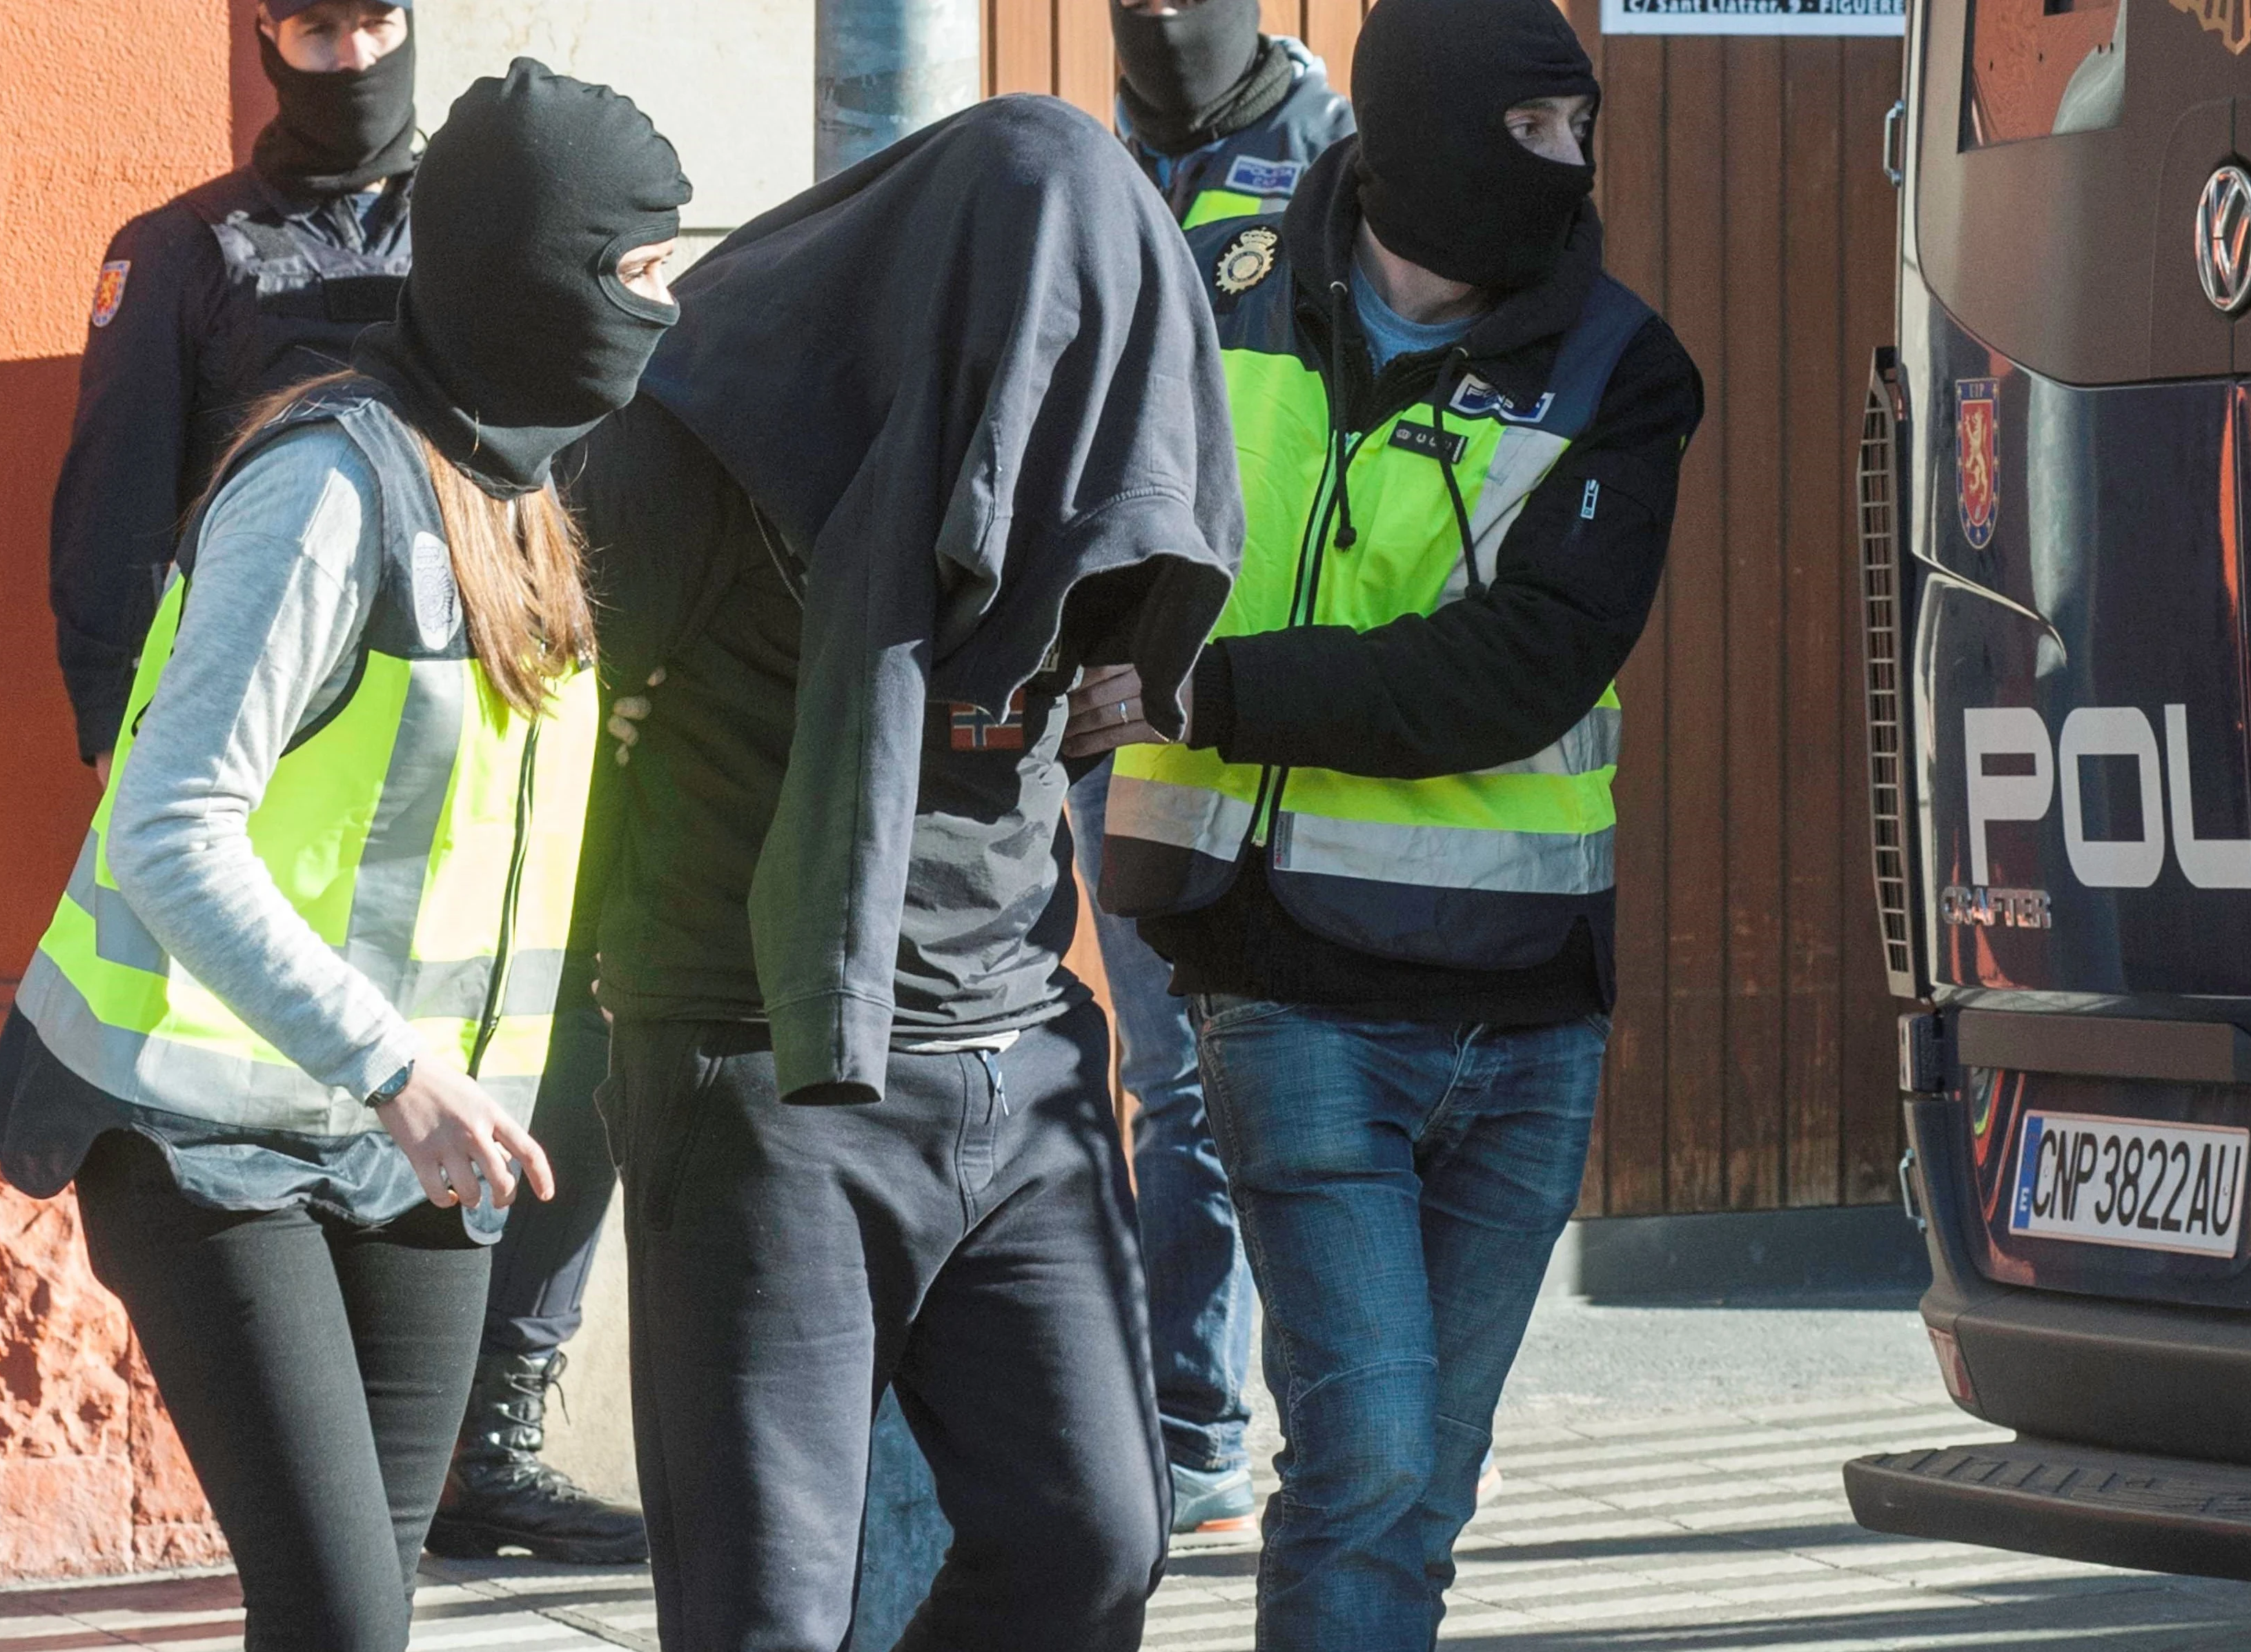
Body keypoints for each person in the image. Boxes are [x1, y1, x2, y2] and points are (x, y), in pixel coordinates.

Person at [0, 62, 689, 1651]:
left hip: (416, 1141)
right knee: (343, 1617)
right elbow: (167, 821)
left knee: (365, 1612)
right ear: (530, 271)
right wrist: (397, 1069)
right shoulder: (325, 486)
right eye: (641, 273)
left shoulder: (527, 495)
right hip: (205, 1125)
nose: (669, 312)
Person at [567, 97, 1242, 1652]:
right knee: (768, 1622)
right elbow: (540, 701)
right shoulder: (709, 421)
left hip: (1014, 1052)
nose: (1066, 405)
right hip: (759, 1072)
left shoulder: (1086, 442)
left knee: (1093, 1543)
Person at [1088, 0, 1704, 1640]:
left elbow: (1512, 672)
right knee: (1365, 1461)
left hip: (1526, 1010)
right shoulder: (1204, 287)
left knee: (1425, 1488)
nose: (1574, 170)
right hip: (1284, 981)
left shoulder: (1623, 371)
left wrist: (1208, 693)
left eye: (1583, 133)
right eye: (1537, 133)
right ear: (1425, 129)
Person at [1067, 0, 1353, 1546]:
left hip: (1270, 702)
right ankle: (1199, 1435)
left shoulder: (1337, 165)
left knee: (1283, 1067)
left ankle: (1304, 1421)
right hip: (1111, 698)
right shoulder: (1083, 165)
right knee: (1172, 1075)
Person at [50, 0, 420, 781]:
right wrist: (115, 720)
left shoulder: (476, 231)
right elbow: (117, 501)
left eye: (377, 23)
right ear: (268, 41)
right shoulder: (179, 248)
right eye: (318, 32)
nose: (354, 57)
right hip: (253, 702)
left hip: (441, 677)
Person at [1111, 0, 1353, 228]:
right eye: (1140, 3)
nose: (1162, 17)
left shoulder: (1336, 149)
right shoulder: (1103, 154)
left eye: (1186, 0)